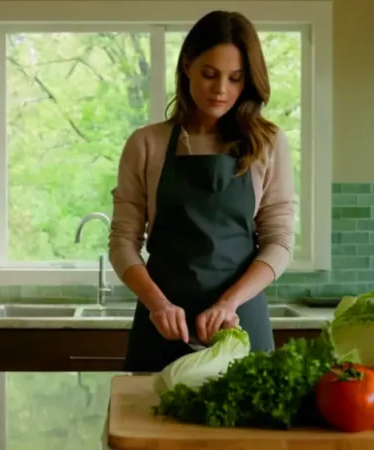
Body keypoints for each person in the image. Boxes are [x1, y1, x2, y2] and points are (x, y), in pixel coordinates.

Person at [107, 10, 297, 373]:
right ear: (188, 66)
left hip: (239, 326)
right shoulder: (146, 144)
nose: (221, 89)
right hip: (162, 328)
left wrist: (229, 303)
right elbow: (122, 242)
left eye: (235, 78)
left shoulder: (268, 144)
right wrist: (157, 304)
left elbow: (280, 241)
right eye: (209, 74)